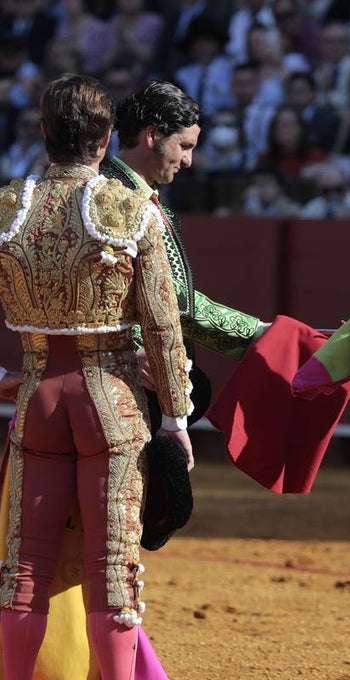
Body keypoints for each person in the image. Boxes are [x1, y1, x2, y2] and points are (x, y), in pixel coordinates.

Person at [0, 73, 199, 680]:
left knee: (26, 566)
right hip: (109, 397)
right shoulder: (131, 213)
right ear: (106, 142)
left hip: (36, 396)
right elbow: (163, 327)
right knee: (113, 566)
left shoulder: (1, 211)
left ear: (45, 136)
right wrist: (177, 419)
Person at [101, 80, 268, 423]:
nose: (189, 161)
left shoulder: (108, 188)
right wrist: (258, 333)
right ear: (152, 135)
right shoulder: (127, 202)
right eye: (184, 146)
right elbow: (175, 301)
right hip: (129, 378)